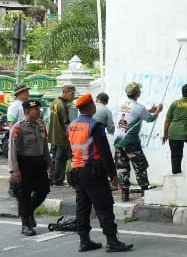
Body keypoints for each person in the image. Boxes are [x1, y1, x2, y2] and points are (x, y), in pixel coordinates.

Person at [68, 93, 133, 252]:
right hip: (93, 170)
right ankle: (112, 241)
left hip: (76, 170)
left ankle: (84, 241)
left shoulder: (71, 125)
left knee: (82, 206)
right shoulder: (95, 126)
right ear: (91, 106)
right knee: (104, 206)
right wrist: (113, 174)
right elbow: (104, 152)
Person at [114, 82, 163, 202]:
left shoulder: (122, 103)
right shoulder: (140, 108)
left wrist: (149, 110)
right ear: (138, 94)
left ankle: (124, 193)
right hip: (131, 142)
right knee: (140, 166)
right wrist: (158, 111)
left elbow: (132, 112)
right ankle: (144, 192)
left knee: (122, 167)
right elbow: (150, 118)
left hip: (118, 141)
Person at [8, 100, 50, 236]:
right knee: (23, 195)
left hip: (39, 163)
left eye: (38, 109)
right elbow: (12, 150)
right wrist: (14, 169)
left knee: (43, 190)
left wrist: (48, 162)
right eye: (35, 110)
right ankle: (25, 224)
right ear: (27, 112)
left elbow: (44, 145)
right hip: (24, 164)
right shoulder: (18, 127)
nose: (38, 111)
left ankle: (29, 211)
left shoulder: (41, 124)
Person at [48, 84, 75, 186]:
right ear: (65, 92)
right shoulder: (63, 105)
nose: (73, 96)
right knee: (61, 159)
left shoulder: (55, 102)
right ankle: (58, 180)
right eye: (72, 94)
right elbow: (66, 123)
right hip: (61, 137)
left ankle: (52, 178)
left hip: (53, 135)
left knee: (54, 158)